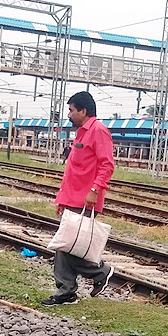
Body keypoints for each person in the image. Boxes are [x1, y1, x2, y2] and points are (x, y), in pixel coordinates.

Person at [43, 90, 115, 306]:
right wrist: (62, 200)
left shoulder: (98, 131)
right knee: (67, 244)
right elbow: (73, 170)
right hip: (73, 198)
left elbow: (107, 164)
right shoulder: (82, 133)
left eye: (71, 110)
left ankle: (97, 273)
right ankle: (69, 289)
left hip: (86, 198)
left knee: (66, 245)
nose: (68, 114)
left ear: (83, 111)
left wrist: (95, 190)